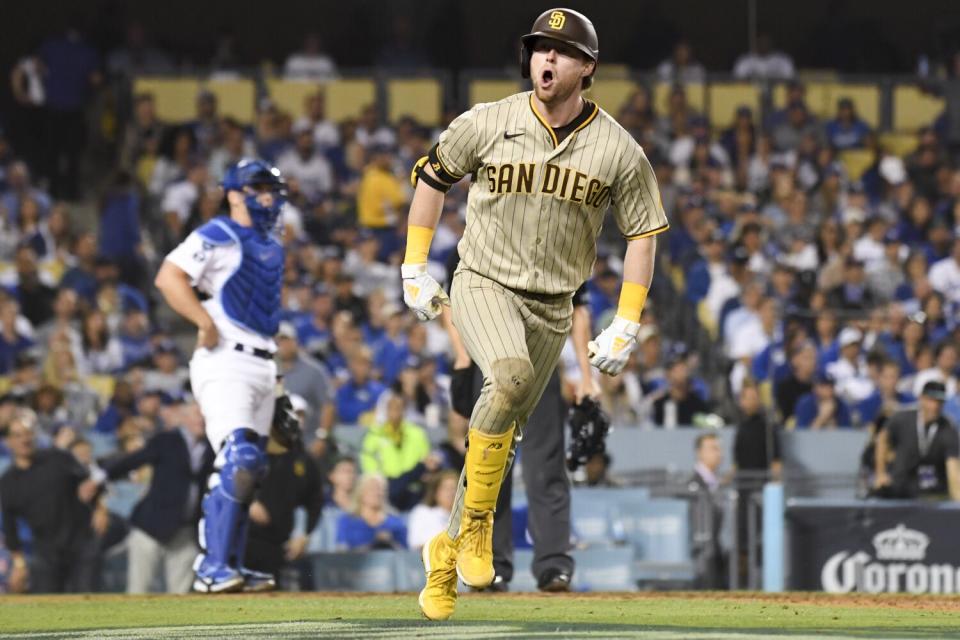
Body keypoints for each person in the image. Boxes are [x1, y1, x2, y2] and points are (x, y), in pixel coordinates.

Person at [402, 8, 667, 620]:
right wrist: (415, 265)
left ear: (587, 68)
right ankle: (475, 527)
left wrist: (626, 320)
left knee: (508, 427)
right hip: (485, 282)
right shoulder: (488, 121)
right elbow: (432, 177)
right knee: (512, 380)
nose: (545, 59)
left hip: (553, 306)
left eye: (560, 52)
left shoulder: (618, 149)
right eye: (539, 49)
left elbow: (643, 235)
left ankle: (443, 554)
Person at [154, 158, 287, 593]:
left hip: (262, 362)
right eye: (257, 188)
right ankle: (211, 567)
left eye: (271, 188)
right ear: (234, 194)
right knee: (239, 458)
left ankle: (230, 564)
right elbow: (169, 276)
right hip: (225, 357)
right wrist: (202, 321)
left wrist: (279, 383)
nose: (267, 196)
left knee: (254, 470)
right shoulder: (219, 232)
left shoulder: (271, 240)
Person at [99, 399, 214, 593]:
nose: (201, 420)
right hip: (151, 526)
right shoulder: (166, 440)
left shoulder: (212, 447)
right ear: (184, 418)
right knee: (139, 590)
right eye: (196, 415)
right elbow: (134, 460)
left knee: (181, 594)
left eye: (205, 416)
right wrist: (101, 475)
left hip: (185, 530)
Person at [0, 409, 102, 593]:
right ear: (8, 442)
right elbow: (10, 526)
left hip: (80, 543)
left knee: (87, 603)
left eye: (28, 433)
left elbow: (90, 482)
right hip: (45, 551)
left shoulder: (57, 457)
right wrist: (19, 563)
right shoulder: (7, 482)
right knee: (47, 606)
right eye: (17, 435)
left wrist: (101, 509)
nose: (24, 439)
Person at [244, 415, 322, 586]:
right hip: (244, 539)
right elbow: (222, 479)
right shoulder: (248, 451)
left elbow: (315, 501)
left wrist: (304, 535)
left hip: (279, 543)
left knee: (273, 599)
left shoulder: (302, 460)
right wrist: (247, 501)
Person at [874, 381, 960, 500]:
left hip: (933, 490)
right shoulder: (902, 418)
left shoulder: (947, 428)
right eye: (931, 400)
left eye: (939, 402)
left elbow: (953, 466)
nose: (935, 406)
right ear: (922, 399)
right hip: (900, 486)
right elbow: (882, 438)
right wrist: (880, 473)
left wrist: (957, 500)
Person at [360, 392, 435, 511]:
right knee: (394, 487)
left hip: (412, 486)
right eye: (392, 408)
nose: (395, 412)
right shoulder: (374, 435)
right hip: (386, 486)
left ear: (404, 410)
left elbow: (425, 459)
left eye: (399, 408)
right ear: (386, 410)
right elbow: (369, 462)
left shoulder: (417, 434)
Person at [688, 432, 726, 589]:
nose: (718, 453)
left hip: (715, 551)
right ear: (699, 453)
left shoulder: (717, 482)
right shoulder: (692, 483)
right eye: (713, 448)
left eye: (719, 448)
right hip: (700, 553)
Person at [334, 474, 406, 551]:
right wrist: (374, 544)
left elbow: (405, 554)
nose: (377, 493)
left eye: (382, 489)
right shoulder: (347, 521)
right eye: (372, 488)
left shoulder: (396, 523)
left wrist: (390, 543)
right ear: (361, 492)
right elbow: (341, 552)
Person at [408, 470, 459, 550]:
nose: (451, 493)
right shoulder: (422, 512)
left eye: (455, 488)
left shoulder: (465, 516)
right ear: (436, 492)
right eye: (446, 488)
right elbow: (417, 544)